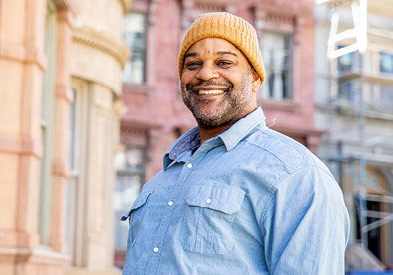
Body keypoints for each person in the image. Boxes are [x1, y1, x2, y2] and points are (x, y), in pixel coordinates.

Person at [121, 12, 350, 275]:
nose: (205, 74)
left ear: (255, 77)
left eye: (224, 62)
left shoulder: (297, 175)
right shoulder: (164, 177)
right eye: (193, 64)